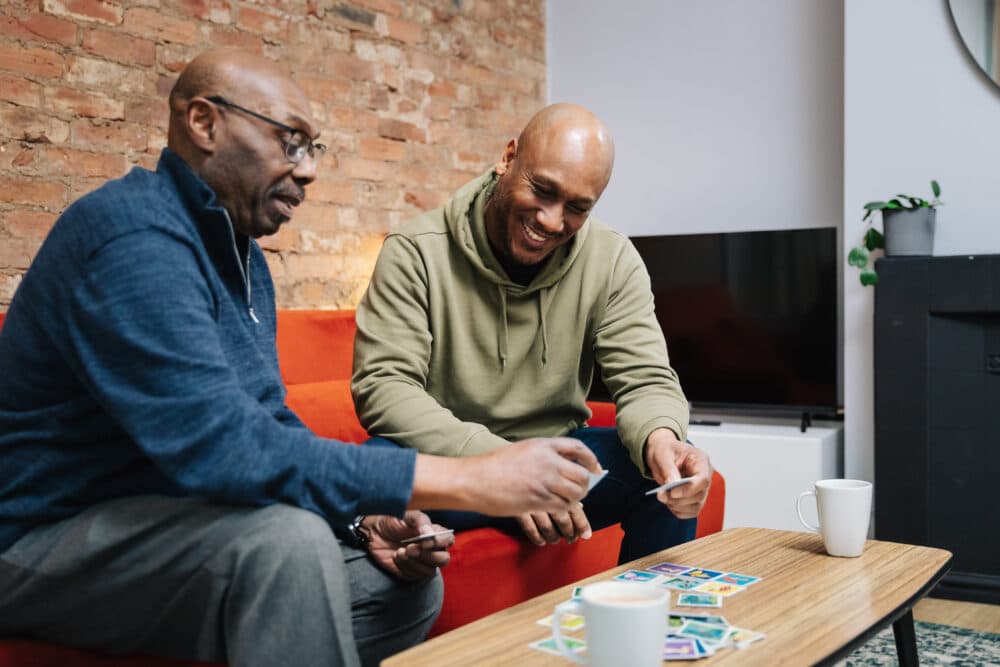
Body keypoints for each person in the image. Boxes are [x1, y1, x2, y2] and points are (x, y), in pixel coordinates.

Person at [0, 52, 602, 667]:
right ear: (204, 123)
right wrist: (473, 477)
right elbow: (221, 449)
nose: (308, 172)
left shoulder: (244, 258)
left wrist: (363, 517)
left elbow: (268, 422)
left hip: (164, 522)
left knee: (400, 584)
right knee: (284, 545)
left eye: (315, 149)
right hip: (39, 538)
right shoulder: (132, 236)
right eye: (290, 143)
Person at [352, 103, 714, 563]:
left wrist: (663, 439)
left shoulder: (613, 260)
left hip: (558, 468)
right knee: (373, 468)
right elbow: (384, 387)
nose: (551, 220)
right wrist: (503, 469)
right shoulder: (414, 252)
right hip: (455, 469)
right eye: (542, 190)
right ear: (508, 158)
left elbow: (646, 379)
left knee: (664, 469)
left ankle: (645, 626)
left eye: (577, 208)